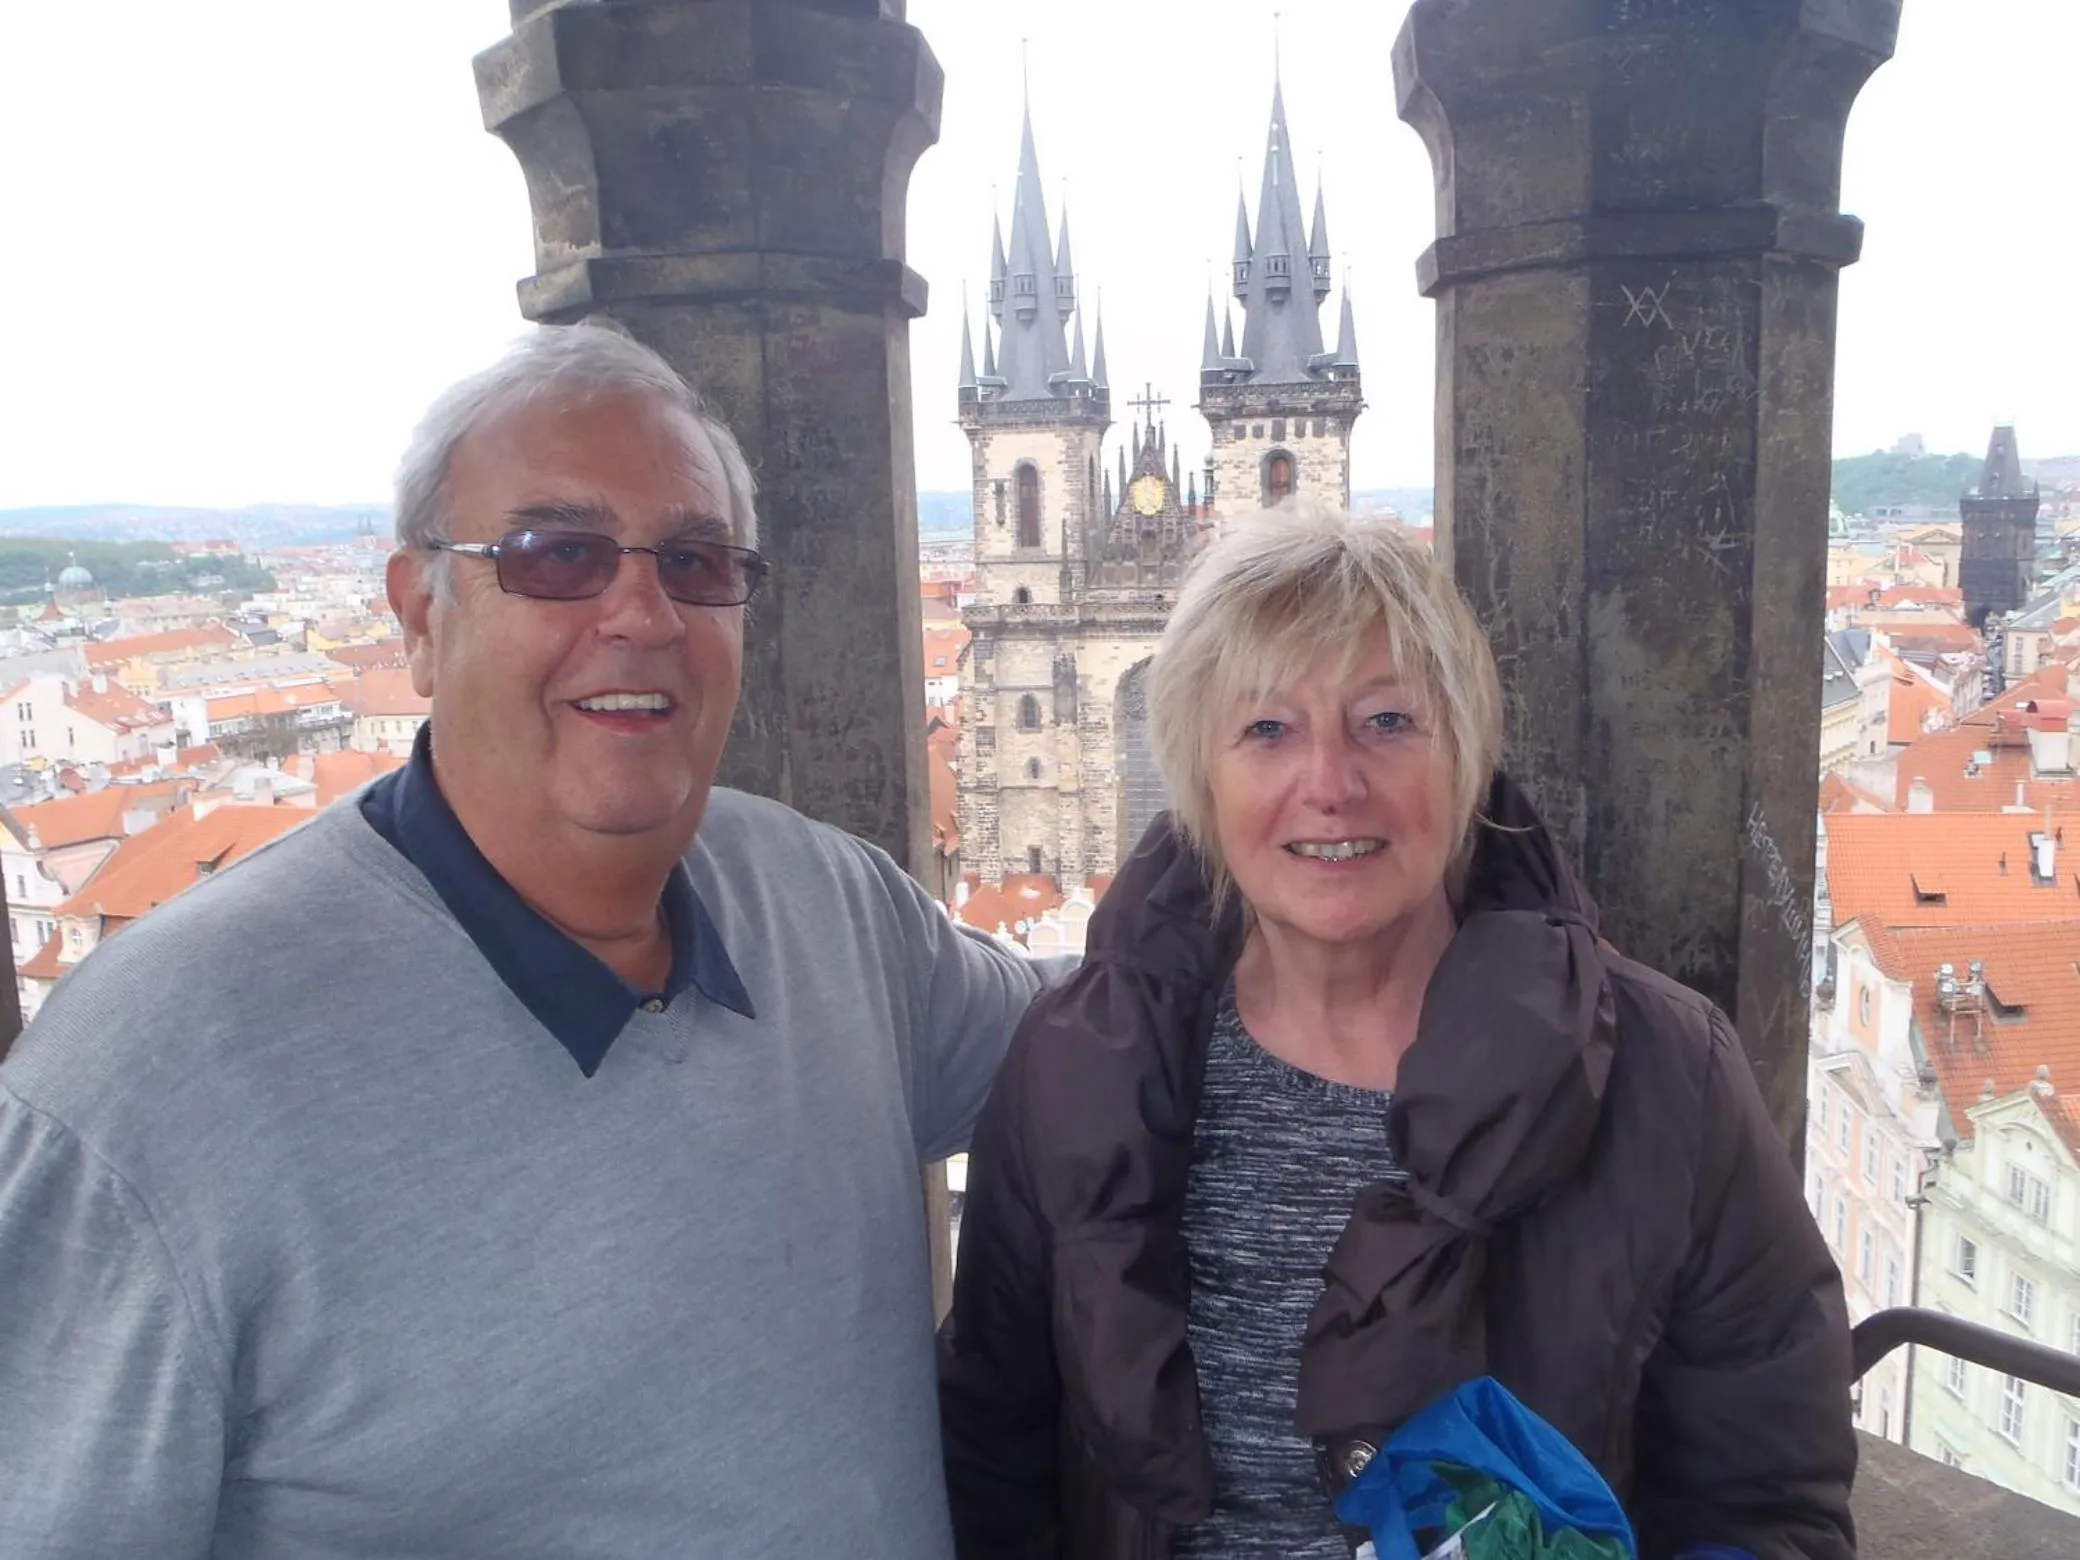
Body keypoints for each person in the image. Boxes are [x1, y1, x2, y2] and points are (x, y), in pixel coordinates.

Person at [0, 322, 1060, 1558]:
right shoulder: (147, 1083)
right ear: (418, 613)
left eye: (696, 558)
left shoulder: (823, 903)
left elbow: (1099, 1032)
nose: (642, 611)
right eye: (557, 555)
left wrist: (1320, 895)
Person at [939, 505, 1857, 1560]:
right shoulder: (1073, 1064)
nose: (1329, 785)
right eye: (1265, 729)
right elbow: (992, 1451)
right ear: (1200, 781)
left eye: (1386, 722)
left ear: (1466, 761)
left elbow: (1766, 1503)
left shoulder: (1666, 1071)